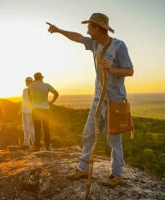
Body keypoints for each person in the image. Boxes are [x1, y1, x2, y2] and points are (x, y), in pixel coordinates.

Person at [47, 13, 134, 186]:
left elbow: (130, 71)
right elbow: (77, 37)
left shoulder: (118, 46)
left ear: (98, 28)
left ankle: (117, 174)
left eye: (89, 27)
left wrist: (111, 69)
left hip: (114, 100)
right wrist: (58, 30)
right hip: (98, 100)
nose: (87, 30)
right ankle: (83, 169)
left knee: (113, 139)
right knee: (88, 134)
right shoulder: (94, 44)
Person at [28, 72, 59, 151]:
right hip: (45, 109)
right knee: (46, 128)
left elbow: (29, 94)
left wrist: (32, 101)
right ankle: (48, 146)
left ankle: (37, 146)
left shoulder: (31, 85)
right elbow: (56, 93)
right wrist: (51, 102)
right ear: (41, 78)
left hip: (36, 109)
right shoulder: (46, 85)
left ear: (34, 78)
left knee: (37, 128)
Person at [19, 77, 35, 149]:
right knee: (25, 128)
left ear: (31, 82)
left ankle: (34, 143)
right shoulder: (24, 90)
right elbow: (23, 100)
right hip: (24, 111)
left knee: (30, 128)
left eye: (28, 81)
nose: (27, 83)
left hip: (30, 112)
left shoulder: (33, 90)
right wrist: (20, 109)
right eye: (26, 81)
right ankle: (26, 143)